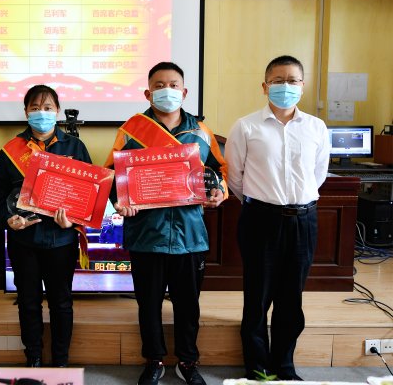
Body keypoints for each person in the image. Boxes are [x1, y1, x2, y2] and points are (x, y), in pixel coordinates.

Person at [105, 62, 228, 385]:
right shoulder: (131, 129)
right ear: (148, 94)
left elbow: (219, 171)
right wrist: (120, 200)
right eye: (159, 86)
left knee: (188, 305)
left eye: (173, 85)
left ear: (184, 92)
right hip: (147, 234)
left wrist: (219, 192)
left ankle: (187, 361)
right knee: (148, 305)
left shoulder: (201, 131)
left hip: (190, 234)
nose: (167, 91)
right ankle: (154, 360)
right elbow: (112, 175)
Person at [224, 55, 330, 381]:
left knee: (291, 298)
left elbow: (318, 174)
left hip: (303, 220)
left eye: (292, 80)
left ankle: (284, 365)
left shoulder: (316, 127)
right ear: (265, 86)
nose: (286, 86)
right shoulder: (246, 126)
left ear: (302, 85)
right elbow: (235, 178)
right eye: (278, 80)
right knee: (257, 296)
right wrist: (263, 202)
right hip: (260, 219)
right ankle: (258, 367)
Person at [0, 84, 92, 368]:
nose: (41, 113)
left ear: (57, 111)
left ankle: (61, 360)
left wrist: (73, 219)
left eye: (47, 108)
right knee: (28, 301)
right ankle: (32, 356)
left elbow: (88, 193)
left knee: (61, 302)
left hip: (61, 239)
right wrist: (7, 219)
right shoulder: (11, 150)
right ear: (26, 112)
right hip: (25, 240)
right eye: (35, 108)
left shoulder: (75, 147)